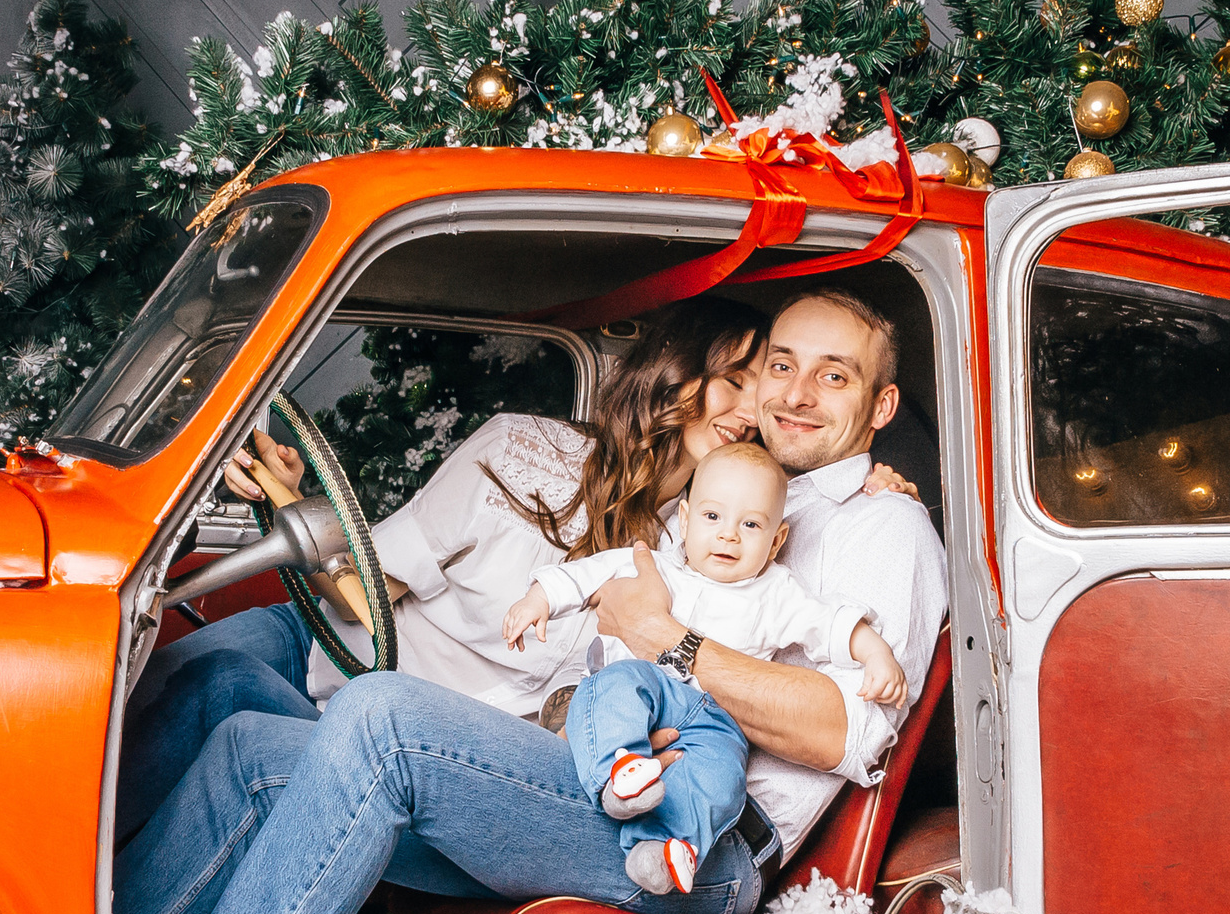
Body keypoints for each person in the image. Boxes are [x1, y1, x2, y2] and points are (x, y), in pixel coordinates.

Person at [117, 286, 948, 914]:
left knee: (382, 718)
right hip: (603, 770)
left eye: (833, 375)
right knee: (249, 746)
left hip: (704, 834)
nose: (797, 391)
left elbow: (844, 731)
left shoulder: (885, 525)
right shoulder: (749, 501)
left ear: (878, 407)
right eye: (779, 366)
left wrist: (667, 641)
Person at [111, 293, 770, 850]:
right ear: (677, 374)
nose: (747, 411)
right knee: (166, 691)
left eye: (760, 392)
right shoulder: (520, 450)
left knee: (234, 726)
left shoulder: (708, 552)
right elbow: (359, 602)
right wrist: (292, 499)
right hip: (323, 647)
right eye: (733, 380)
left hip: (408, 745)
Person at [504, 440, 907, 896]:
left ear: (776, 540)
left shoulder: (776, 592)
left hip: (712, 719)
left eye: (751, 524)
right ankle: (617, 774)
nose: (729, 535)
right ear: (686, 520)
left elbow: (830, 624)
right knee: (613, 686)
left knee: (722, 775)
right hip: (643, 688)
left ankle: (666, 850)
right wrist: (537, 600)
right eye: (713, 517)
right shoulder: (653, 566)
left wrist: (875, 653)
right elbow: (582, 576)